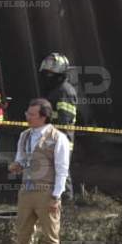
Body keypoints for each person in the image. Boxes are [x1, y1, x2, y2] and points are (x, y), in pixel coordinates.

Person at [2, 98, 71, 244]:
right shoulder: (24, 135)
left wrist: (56, 196)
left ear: (43, 117)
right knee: (23, 234)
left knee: (51, 236)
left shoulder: (58, 137)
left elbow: (62, 169)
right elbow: (21, 159)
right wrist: (17, 166)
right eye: (28, 113)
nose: (27, 117)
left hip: (46, 190)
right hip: (26, 189)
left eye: (32, 114)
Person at [39, 52, 78, 200]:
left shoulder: (64, 91)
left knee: (61, 172)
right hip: (51, 138)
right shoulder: (55, 90)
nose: (47, 77)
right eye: (46, 73)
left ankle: (66, 203)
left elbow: (64, 120)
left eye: (50, 73)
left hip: (61, 139)